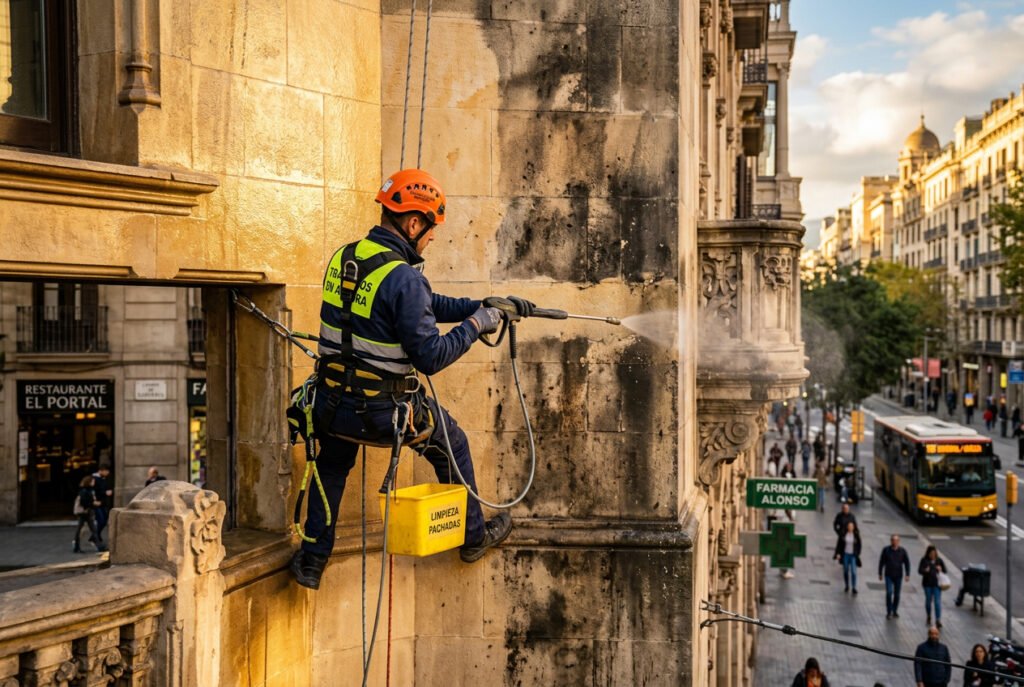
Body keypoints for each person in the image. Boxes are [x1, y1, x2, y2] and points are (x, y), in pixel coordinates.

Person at [289, 169, 517, 590]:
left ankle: (311, 560)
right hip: (383, 414)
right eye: (430, 229)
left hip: (331, 405)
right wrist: (477, 324)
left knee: (332, 463)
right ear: (414, 223)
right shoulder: (404, 278)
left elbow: (421, 303)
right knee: (453, 444)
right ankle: (473, 536)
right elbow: (430, 356)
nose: (431, 238)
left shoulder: (346, 258)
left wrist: (483, 305)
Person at [878, 534, 911, 618]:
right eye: (893, 540)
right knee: (889, 593)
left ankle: (894, 610)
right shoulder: (886, 550)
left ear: (899, 542)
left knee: (897, 594)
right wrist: (880, 573)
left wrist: (907, 574)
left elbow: (907, 563)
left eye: (896, 540)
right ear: (891, 541)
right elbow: (881, 562)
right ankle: (889, 611)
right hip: (888, 575)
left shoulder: (902, 551)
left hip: (898, 575)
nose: (895, 542)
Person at [72, 475, 107, 553]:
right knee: (81, 529)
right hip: (84, 512)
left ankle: (99, 546)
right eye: (92, 481)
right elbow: (84, 502)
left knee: (93, 529)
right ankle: (76, 545)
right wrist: (93, 503)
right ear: (89, 482)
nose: (94, 482)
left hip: (88, 512)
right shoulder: (84, 491)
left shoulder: (89, 490)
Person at [919, 545, 947, 628]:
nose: (932, 555)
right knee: (928, 601)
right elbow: (919, 570)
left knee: (937, 602)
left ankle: (938, 619)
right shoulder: (924, 560)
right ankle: (928, 616)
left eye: (934, 553)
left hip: (937, 585)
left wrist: (940, 569)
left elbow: (945, 571)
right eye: (931, 553)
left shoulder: (939, 561)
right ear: (928, 553)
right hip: (927, 584)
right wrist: (925, 570)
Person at [833, 520, 862, 594]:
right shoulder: (843, 534)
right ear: (847, 527)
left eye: (852, 527)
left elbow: (859, 545)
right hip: (845, 554)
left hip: (853, 555)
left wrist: (857, 553)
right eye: (849, 526)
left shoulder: (856, 535)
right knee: (845, 570)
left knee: (853, 572)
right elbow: (839, 545)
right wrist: (838, 554)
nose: (850, 528)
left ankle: (854, 587)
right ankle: (846, 585)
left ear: (854, 527)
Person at [91, 464, 113, 542]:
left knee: (104, 520)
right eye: (106, 471)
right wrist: (105, 492)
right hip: (97, 503)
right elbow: (94, 491)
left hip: (102, 502)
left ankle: (95, 535)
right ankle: (95, 536)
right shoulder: (94, 478)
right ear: (102, 470)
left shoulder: (104, 478)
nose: (108, 473)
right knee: (101, 520)